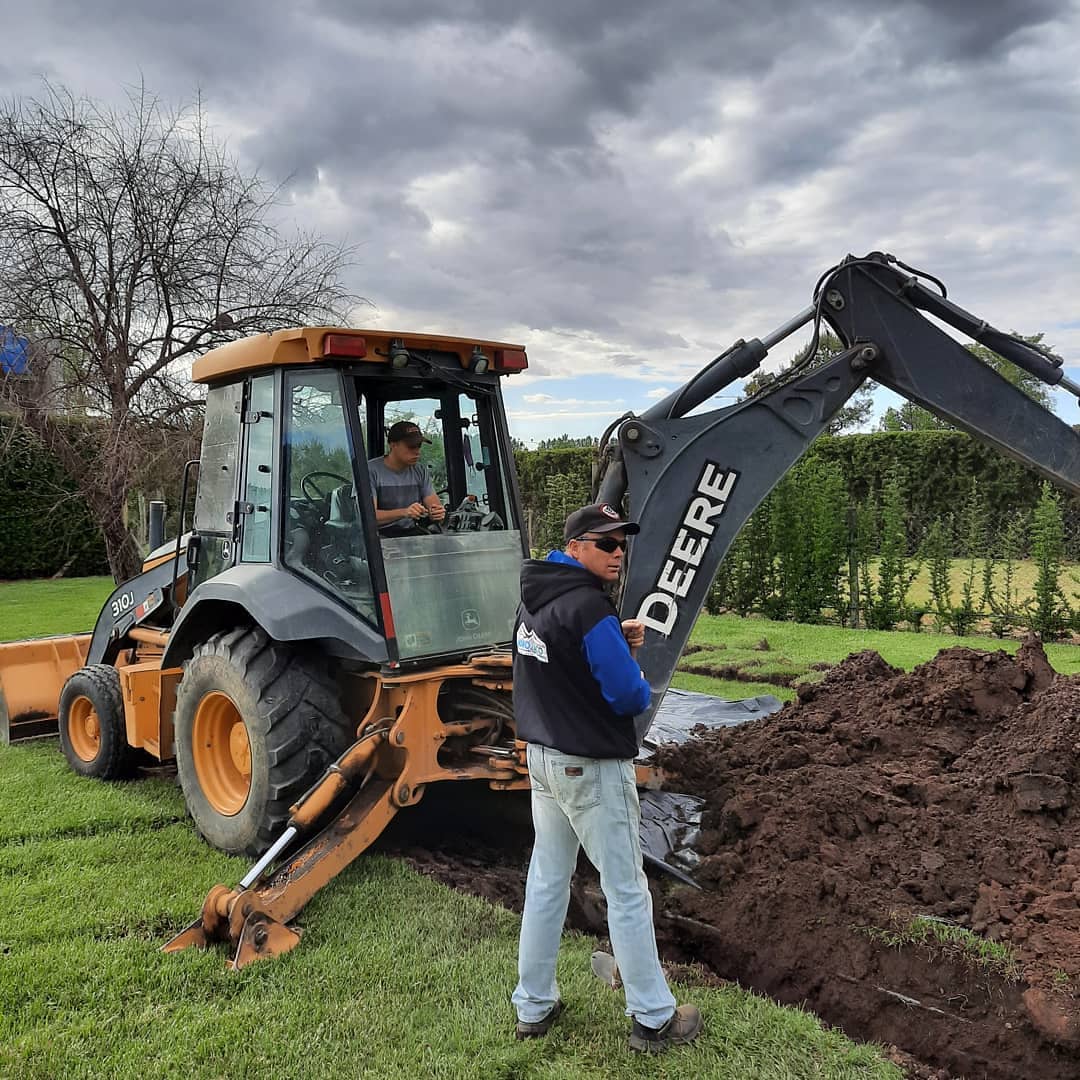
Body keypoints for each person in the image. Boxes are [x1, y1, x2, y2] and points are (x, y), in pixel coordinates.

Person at [510, 502, 703, 1054]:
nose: (619, 553)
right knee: (626, 890)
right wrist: (625, 657)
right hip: (590, 768)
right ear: (575, 547)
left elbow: (551, 657)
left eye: (622, 544)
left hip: (544, 761)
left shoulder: (536, 596)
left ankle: (533, 1006)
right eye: (606, 543)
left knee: (547, 881)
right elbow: (629, 695)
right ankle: (654, 1017)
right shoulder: (590, 610)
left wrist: (611, 641)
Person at [367, 420, 446, 533]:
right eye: (411, 446)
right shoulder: (370, 471)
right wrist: (405, 512)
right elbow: (368, 517)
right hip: (378, 537)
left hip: (412, 533)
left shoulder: (420, 470)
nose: (417, 452)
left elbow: (434, 506)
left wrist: (438, 514)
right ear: (393, 445)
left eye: (418, 446)